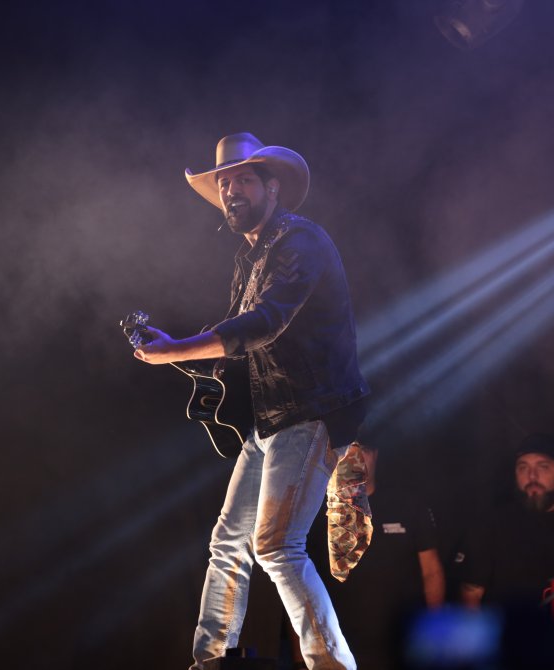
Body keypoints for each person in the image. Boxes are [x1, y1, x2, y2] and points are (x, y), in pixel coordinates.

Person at [132, 132, 370, 670]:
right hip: (269, 421)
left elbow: (265, 323)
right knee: (227, 544)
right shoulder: (250, 256)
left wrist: (176, 351)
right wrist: (175, 350)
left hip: (312, 412)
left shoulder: (301, 241)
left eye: (242, 180)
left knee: (277, 547)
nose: (231, 191)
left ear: (272, 187)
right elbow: (239, 343)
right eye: (224, 184)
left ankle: (333, 665)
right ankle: (210, 660)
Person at [305, 442, 445, 669]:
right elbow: (303, 581)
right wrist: (300, 657)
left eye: (364, 450)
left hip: (401, 646)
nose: (356, 458)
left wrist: (435, 633)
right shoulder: (317, 513)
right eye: (349, 452)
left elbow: (432, 572)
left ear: (376, 455)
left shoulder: (407, 505)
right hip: (340, 647)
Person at [456, 433, 554, 637]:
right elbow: (471, 594)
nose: (532, 477)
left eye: (543, 467)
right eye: (523, 468)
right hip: (508, 643)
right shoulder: (491, 524)